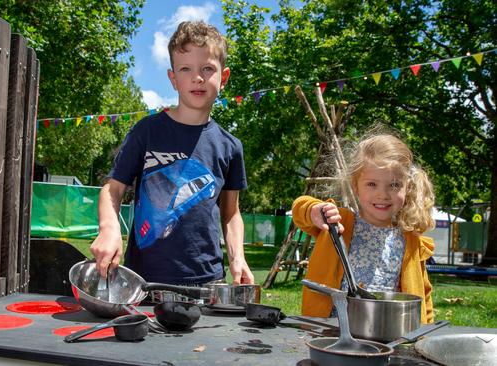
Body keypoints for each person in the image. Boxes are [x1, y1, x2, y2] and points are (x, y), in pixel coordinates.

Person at [90, 20, 254, 289]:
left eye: (207, 69)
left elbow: (231, 213)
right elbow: (113, 189)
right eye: (185, 69)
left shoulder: (230, 146)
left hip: (207, 282)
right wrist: (109, 228)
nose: (197, 77)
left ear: (223, 78)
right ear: (173, 78)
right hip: (143, 280)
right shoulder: (146, 131)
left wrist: (238, 257)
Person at [293, 131, 436, 323]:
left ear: (407, 188)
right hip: (331, 331)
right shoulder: (337, 222)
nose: (382, 194)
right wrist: (314, 211)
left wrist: (423, 333)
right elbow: (299, 209)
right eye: (371, 184)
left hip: (386, 332)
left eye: (394, 185)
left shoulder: (411, 239)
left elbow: (423, 297)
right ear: (355, 186)